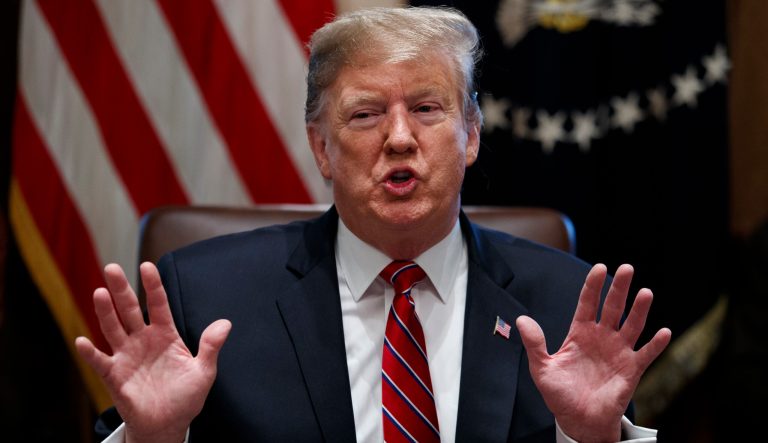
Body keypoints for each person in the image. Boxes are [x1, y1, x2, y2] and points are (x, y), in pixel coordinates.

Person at [75, 6, 671, 443]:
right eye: (365, 114)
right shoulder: (206, 297)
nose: (400, 138)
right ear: (321, 149)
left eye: (427, 109)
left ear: (472, 136)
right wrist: (154, 438)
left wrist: (593, 440)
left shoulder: (566, 302)